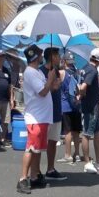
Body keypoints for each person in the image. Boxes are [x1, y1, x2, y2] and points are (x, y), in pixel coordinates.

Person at [18, 45, 59, 194]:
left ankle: (35, 175)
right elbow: (42, 91)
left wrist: (53, 83)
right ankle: (23, 178)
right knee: (31, 148)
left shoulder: (37, 72)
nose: (42, 57)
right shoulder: (30, 72)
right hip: (35, 117)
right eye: (40, 55)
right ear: (36, 57)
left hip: (42, 117)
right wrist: (50, 79)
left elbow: (47, 89)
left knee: (38, 149)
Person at [40, 47, 68, 181]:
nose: (59, 58)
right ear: (51, 57)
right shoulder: (40, 71)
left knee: (53, 141)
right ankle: (35, 172)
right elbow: (41, 92)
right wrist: (52, 85)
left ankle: (50, 169)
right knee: (39, 144)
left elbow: (56, 87)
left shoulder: (56, 71)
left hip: (56, 111)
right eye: (57, 55)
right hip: (44, 113)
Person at [59, 52, 82, 163]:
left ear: (64, 61)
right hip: (77, 105)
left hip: (66, 105)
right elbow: (79, 89)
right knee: (76, 131)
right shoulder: (77, 72)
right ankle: (77, 154)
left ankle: (67, 155)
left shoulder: (62, 73)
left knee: (67, 132)